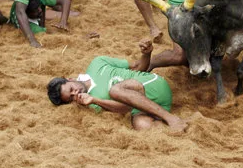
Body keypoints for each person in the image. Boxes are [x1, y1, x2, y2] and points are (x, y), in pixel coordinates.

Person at [47, 40, 188, 132]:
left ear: (69, 79)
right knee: (141, 125)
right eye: (71, 98)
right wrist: (94, 100)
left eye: (71, 89)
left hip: (152, 85)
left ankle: (170, 118)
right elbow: (125, 108)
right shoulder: (90, 102)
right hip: (146, 105)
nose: (75, 93)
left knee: (114, 90)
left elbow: (138, 67)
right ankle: (180, 127)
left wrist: (146, 54)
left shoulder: (97, 63)